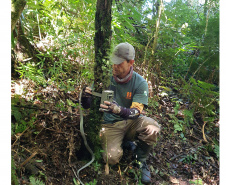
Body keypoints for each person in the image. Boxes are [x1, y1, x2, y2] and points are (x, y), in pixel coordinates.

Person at [82, 42, 161, 184]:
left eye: (119, 63)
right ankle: (125, 143)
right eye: (113, 62)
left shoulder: (139, 82)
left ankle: (140, 160)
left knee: (152, 127)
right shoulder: (105, 77)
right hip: (110, 124)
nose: (114, 66)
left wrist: (119, 109)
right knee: (111, 158)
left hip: (130, 121)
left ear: (131, 62)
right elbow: (88, 106)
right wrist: (85, 98)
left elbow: (137, 111)